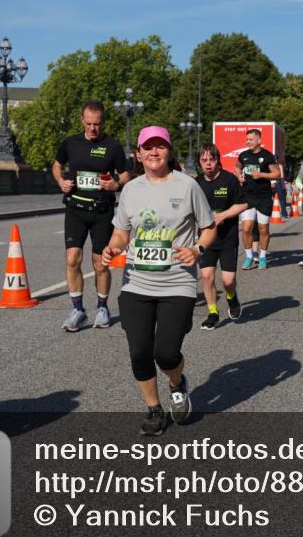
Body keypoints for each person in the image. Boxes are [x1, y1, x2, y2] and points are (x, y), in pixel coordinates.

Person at [101, 127, 214, 435]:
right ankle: (153, 409)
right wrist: (113, 247)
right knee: (139, 351)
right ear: (138, 154)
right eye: (147, 147)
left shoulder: (187, 186)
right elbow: (122, 231)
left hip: (177, 283)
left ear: (169, 151)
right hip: (136, 284)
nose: (154, 152)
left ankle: (177, 382)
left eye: (160, 146)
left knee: (165, 352)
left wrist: (197, 249)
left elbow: (208, 227)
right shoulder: (131, 190)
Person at [52, 100, 131, 332]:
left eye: (96, 124)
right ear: (82, 121)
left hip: (101, 211)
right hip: (75, 209)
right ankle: (77, 310)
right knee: (72, 258)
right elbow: (57, 165)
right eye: (88, 124)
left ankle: (102, 307)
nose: (92, 128)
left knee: (100, 263)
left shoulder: (112, 146)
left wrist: (114, 185)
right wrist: (61, 182)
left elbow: (126, 174)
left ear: (102, 122)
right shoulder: (70, 143)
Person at [195, 143, 247, 330]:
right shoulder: (196, 183)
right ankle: (212, 313)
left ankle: (231, 297)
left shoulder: (229, 180)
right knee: (207, 277)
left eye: (212, 159)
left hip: (227, 238)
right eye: (204, 160)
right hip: (206, 239)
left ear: (218, 160)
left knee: (228, 281)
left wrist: (223, 215)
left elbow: (243, 204)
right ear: (200, 162)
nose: (208, 164)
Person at [235, 128, 282, 270]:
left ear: (259, 140)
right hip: (247, 196)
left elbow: (277, 174)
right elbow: (237, 167)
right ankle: (249, 256)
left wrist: (261, 175)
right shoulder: (243, 156)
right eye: (247, 139)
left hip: (263, 197)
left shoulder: (267, 156)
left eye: (250, 139)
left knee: (263, 229)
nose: (247, 141)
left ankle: (262, 256)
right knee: (246, 228)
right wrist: (239, 176)